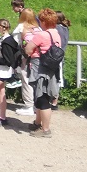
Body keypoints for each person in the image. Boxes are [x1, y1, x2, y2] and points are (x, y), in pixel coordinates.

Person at [25, 8, 62, 138]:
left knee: (42, 98)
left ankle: (45, 129)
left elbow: (28, 49)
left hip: (40, 68)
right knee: (42, 96)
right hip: (51, 70)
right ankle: (37, 123)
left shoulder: (42, 35)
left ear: (44, 22)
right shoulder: (56, 34)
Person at [12, 8, 39, 116]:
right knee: (36, 80)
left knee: (26, 79)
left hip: (25, 57)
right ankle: (36, 105)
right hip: (38, 57)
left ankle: (29, 105)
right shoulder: (37, 28)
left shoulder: (21, 27)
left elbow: (15, 40)